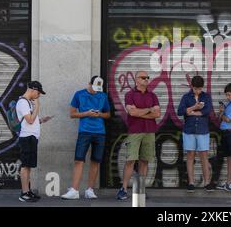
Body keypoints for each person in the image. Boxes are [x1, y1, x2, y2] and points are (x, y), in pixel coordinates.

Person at [61, 76, 111, 200]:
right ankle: (74, 190)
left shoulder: (103, 96)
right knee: (79, 160)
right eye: (94, 87)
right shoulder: (79, 94)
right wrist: (86, 114)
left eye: (98, 88)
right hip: (84, 131)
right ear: (89, 83)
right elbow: (72, 114)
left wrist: (100, 114)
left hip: (100, 132)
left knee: (95, 161)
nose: (96, 91)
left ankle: (90, 190)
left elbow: (108, 114)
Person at [116, 71, 161, 200]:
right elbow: (132, 113)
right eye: (143, 77)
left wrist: (139, 112)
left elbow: (157, 114)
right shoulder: (130, 95)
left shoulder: (152, 95)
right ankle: (123, 189)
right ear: (136, 80)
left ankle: (140, 190)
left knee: (144, 161)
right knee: (130, 160)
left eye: (148, 77)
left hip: (149, 131)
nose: (146, 79)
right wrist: (148, 109)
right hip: (135, 131)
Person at [177, 75, 215, 192]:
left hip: (203, 130)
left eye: (200, 89)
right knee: (190, 156)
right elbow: (180, 111)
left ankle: (207, 182)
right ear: (192, 86)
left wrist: (191, 112)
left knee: (204, 156)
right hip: (189, 130)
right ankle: (191, 182)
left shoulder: (206, 97)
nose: (198, 91)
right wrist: (195, 107)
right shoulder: (186, 97)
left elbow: (207, 111)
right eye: (196, 89)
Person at [17, 81, 51, 202]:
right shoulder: (23, 102)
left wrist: (41, 120)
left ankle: (28, 191)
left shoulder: (29, 103)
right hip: (26, 138)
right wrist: (37, 106)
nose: (39, 95)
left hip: (32, 137)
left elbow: (31, 120)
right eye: (39, 93)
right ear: (33, 90)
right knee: (25, 165)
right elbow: (30, 120)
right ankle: (24, 193)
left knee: (29, 166)